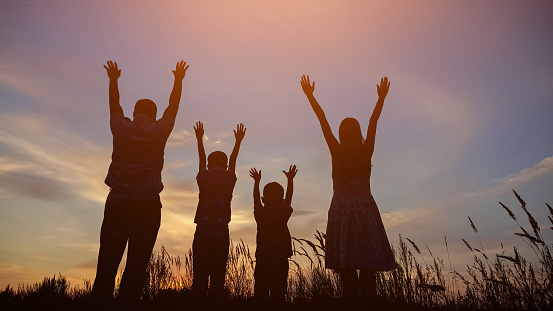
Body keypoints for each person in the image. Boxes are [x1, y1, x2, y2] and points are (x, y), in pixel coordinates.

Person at [91, 60, 189, 310]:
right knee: (136, 266)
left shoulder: (120, 126)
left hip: (118, 202)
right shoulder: (159, 131)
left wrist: (113, 80)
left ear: (134, 113)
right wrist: (178, 80)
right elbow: (173, 108)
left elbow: (114, 105)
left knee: (106, 264)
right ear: (154, 115)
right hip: (147, 205)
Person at [300, 75, 396, 304]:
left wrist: (310, 96)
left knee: (348, 270)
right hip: (366, 212)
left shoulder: (337, 151)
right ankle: (369, 302)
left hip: (342, 212)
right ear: (358, 132)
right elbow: (373, 123)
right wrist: (380, 99)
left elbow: (323, 121)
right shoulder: (366, 151)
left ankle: (351, 302)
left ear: (342, 134)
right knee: (367, 267)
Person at [192, 121, 246, 306]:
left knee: (199, 277)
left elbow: (201, 158)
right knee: (218, 278)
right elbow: (233, 160)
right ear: (225, 164)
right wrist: (238, 141)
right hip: (221, 231)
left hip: (203, 230)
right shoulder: (229, 178)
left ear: (208, 164)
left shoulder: (203, 177)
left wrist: (199, 138)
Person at [249, 165, 297, 306]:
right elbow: (289, 197)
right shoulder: (284, 213)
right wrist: (290, 180)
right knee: (279, 295)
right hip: (280, 261)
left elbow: (255, 199)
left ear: (264, 199)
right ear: (281, 199)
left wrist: (256, 182)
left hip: (263, 261)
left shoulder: (260, 214)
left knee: (260, 295)